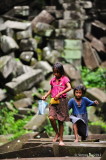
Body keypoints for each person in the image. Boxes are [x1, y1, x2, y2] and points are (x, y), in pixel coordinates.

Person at [42, 62, 72, 146]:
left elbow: (69, 87)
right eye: (54, 72)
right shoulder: (53, 80)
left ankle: (61, 140)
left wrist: (59, 94)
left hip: (62, 101)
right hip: (53, 101)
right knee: (51, 117)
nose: (56, 74)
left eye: (57, 72)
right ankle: (57, 133)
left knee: (60, 121)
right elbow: (51, 89)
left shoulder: (65, 78)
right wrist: (45, 95)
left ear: (61, 71)